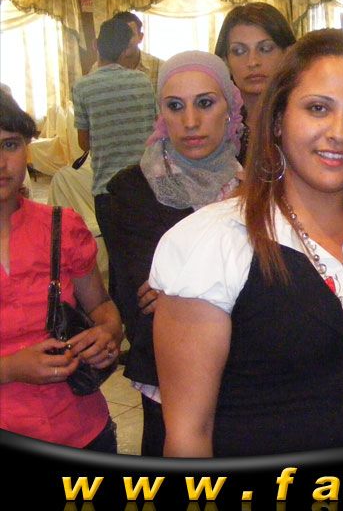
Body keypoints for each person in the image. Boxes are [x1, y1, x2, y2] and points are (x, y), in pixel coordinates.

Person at [151, 29, 343, 457]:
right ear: (277, 120)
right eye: (318, 108)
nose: (339, 132)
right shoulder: (214, 243)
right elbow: (190, 432)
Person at [105, 51, 243, 456]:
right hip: (167, 380)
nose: (191, 121)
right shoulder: (130, 190)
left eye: (205, 103)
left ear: (230, 108)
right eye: (175, 106)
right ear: (161, 114)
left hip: (250, 376)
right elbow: (143, 301)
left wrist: (186, 291)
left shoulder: (256, 182)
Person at [0, 90, 123, 451]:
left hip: (82, 426)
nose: (1, 162)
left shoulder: (61, 226)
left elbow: (101, 307)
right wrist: (9, 368)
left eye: (10, 145)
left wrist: (107, 334)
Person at [73, 17, 158, 248]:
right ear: (125, 49)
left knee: (116, 256)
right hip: (145, 185)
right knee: (146, 254)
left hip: (106, 189)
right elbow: (156, 128)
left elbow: (84, 143)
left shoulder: (82, 87)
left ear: (96, 45)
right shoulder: (142, 81)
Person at [214, 2, 296, 164]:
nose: (253, 62)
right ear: (225, 61)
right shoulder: (216, 123)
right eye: (239, 51)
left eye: (265, 49)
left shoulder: (302, 119)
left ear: (287, 54)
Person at [91, 11, 163, 89]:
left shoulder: (159, 67)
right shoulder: (97, 69)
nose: (125, 40)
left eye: (130, 35)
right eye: (120, 35)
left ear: (140, 37)